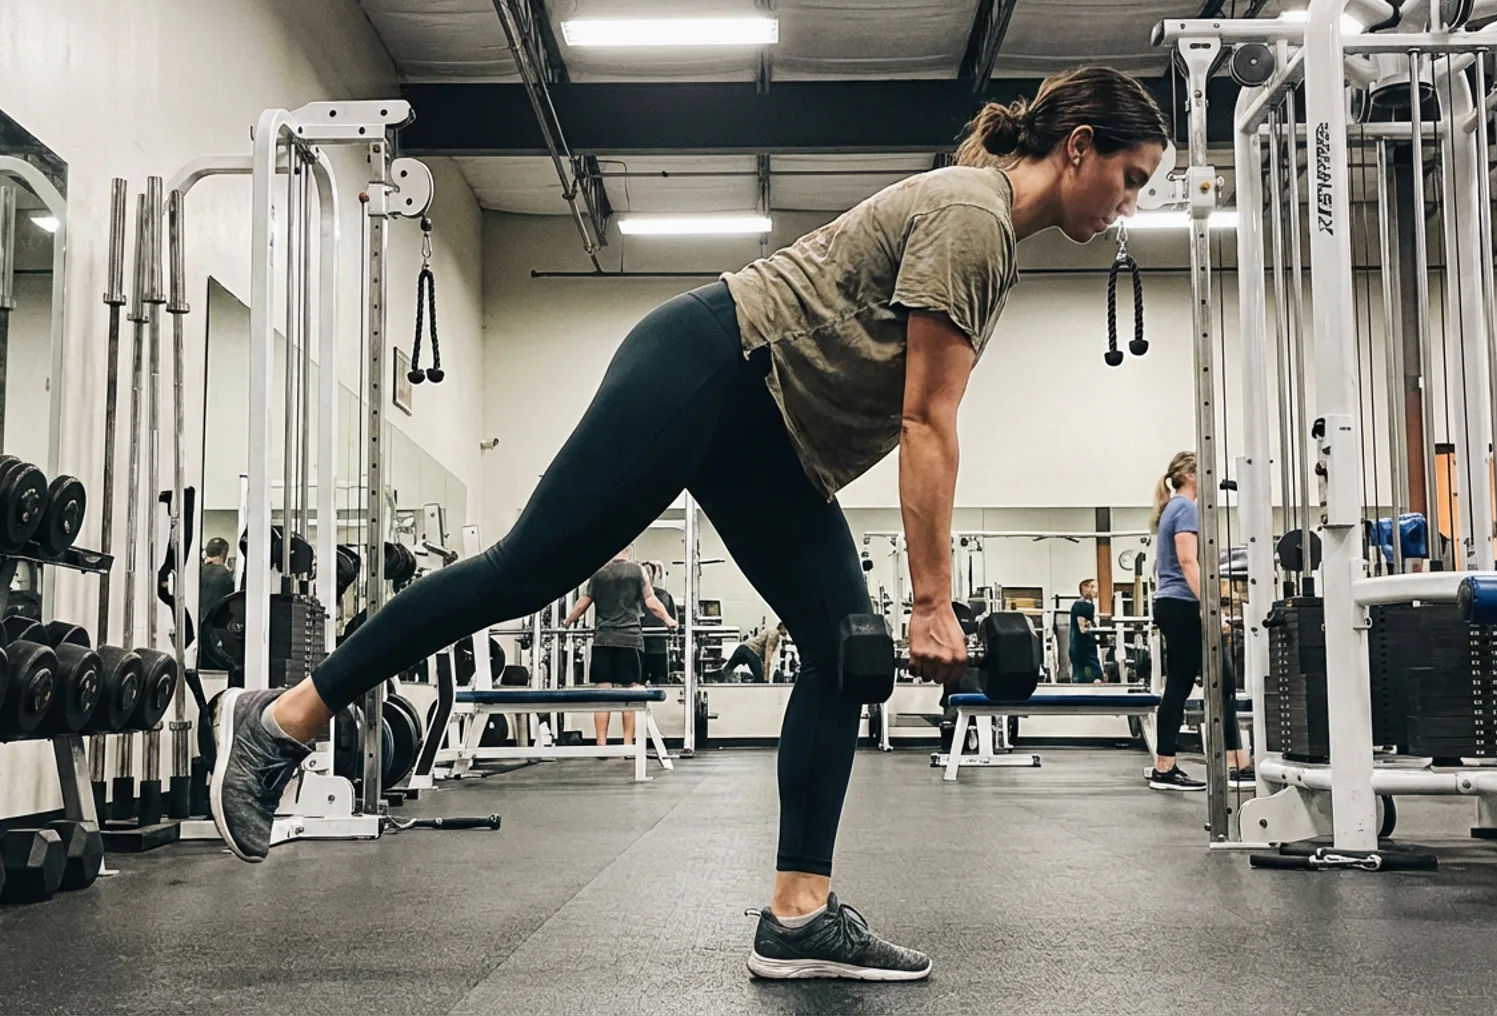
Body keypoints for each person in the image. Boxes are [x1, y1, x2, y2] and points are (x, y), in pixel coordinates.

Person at [206, 65, 1168, 981]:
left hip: (772, 433)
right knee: (522, 572)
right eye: (1131, 178)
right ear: (1079, 146)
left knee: (844, 649)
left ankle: (799, 914)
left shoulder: (986, 227)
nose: (1129, 204)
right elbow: (927, 421)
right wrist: (931, 602)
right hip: (712, 371)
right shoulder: (975, 216)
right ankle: (283, 720)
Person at [1148, 451, 1252, 792]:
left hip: (1173, 604)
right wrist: (1212, 608)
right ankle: (1236, 762)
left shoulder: (1173, 508)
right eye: (1206, 472)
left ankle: (1166, 766)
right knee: (1222, 680)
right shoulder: (1185, 508)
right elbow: (1187, 561)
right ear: (1191, 475)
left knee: (1181, 684)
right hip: (1182, 605)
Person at [561, 547, 677, 747]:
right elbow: (651, 601)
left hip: (603, 640)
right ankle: (627, 745)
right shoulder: (637, 570)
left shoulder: (598, 574)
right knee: (630, 693)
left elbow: (583, 602)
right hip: (629, 640)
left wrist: (566, 622)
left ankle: (601, 745)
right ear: (628, 550)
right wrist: (669, 620)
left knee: (602, 692)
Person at [638, 561, 678, 685]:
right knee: (637, 684)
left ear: (653, 576)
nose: (647, 576)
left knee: (661, 683)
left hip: (659, 649)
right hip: (639, 649)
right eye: (644, 572)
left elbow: (672, 620)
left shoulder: (664, 596)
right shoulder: (633, 595)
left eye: (649, 573)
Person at [720, 621, 784, 683]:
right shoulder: (775, 633)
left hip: (741, 649)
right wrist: (766, 679)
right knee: (761, 681)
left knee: (726, 672)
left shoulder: (770, 629)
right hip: (751, 652)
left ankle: (716, 680)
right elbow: (767, 658)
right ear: (783, 627)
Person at [1068, 578, 1102, 684]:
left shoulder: (1088, 605)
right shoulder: (1081, 605)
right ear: (1087, 589)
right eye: (1095, 587)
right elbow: (1082, 628)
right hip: (1083, 648)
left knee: (1082, 677)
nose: (1097, 590)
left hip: (1082, 647)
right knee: (1094, 676)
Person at [199, 538, 235, 625]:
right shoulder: (227, 575)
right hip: (218, 624)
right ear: (223, 553)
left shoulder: (197, 572)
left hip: (199, 623)